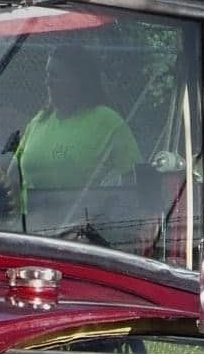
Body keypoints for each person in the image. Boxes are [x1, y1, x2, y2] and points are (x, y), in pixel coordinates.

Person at [10, 46, 141, 230]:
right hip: (29, 230)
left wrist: (116, 225)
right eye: (47, 74)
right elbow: (12, 177)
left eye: (55, 75)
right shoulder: (40, 119)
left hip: (77, 234)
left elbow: (135, 181)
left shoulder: (107, 120)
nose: (48, 82)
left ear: (78, 80)